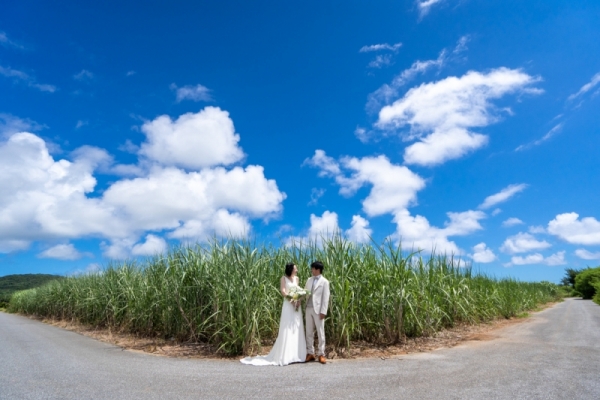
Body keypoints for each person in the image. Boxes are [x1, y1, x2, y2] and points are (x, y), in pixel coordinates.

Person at [240, 263, 307, 366]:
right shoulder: (283, 278)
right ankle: (286, 356)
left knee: (296, 328)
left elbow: (298, 290)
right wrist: (291, 298)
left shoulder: (296, 279)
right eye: (295, 268)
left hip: (296, 305)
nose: (297, 270)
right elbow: (283, 291)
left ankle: (297, 355)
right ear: (290, 269)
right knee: (287, 328)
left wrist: (298, 299)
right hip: (288, 305)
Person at [304, 260, 330, 364]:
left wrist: (323, 311)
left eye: (313, 268)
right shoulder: (309, 280)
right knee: (309, 331)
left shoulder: (325, 282)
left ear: (317, 269)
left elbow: (325, 297)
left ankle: (321, 354)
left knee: (320, 332)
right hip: (308, 308)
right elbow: (305, 292)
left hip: (318, 310)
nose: (311, 270)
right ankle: (310, 353)